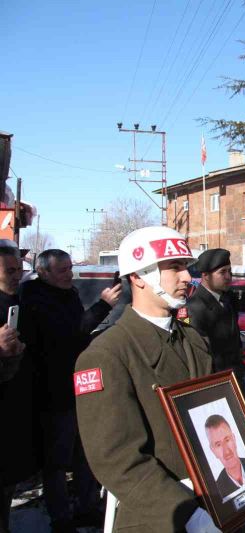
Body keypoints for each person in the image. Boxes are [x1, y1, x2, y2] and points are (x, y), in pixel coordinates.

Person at [74, 226, 220, 532]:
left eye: (187, 267)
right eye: (174, 268)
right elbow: (117, 461)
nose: (186, 278)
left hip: (215, 500)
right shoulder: (106, 355)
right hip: (158, 515)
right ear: (138, 277)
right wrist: (186, 515)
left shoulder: (192, 338)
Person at [21, 249, 121, 532]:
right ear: (44, 273)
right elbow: (68, 334)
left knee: (85, 453)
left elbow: (79, 336)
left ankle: (86, 507)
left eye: (69, 268)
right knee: (57, 461)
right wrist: (103, 306)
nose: (69, 275)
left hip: (79, 386)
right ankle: (61, 518)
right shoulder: (34, 298)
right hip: (53, 394)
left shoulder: (70, 293)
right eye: (62, 270)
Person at [0, 240, 35, 533]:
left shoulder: (22, 301)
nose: (16, 275)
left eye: (19, 269)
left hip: (15, 410)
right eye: (9, 270)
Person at [185, 248, 245, 405]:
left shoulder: (226, 299)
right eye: (222, 272)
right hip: (216, 385)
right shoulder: (195, 307)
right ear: (205, 276)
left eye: (229, 271)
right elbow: (199, 356)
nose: (228, 277)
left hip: (234, 378)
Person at [204, 415, 245, 498]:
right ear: (213, 451)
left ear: (234, 439)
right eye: (218, 445)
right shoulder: (217, 492)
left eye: (227, 440)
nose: (227, 451)